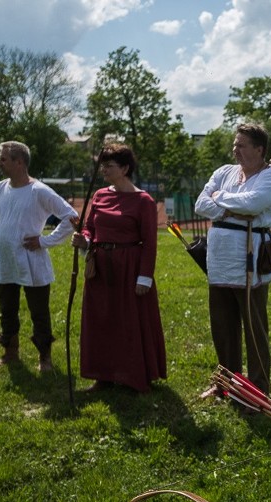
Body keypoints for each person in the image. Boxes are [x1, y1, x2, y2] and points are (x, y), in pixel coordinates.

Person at [194, 123, 271, 397]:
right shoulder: (224, 172)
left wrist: (220, 199)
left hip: (250, 258)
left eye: (241, 145)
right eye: (235, 144)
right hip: (219, 259)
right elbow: (201, 204)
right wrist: (230, 208)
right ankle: (226, 384)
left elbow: (253, 204)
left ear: (259, 149)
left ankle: (257, 389)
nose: (235, 150)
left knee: (254, 327)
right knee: (222, 325)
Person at [70, 143, 166, 392]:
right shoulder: (100, 195)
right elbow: (90, 226)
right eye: (102, 165)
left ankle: (132, 375)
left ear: (125, 168)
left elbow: (150, 243)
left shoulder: (143, 201)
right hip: (101, 267)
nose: (103, 170)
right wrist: (85, 239)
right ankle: (103, 375)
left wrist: (144, 276)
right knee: (101, 319)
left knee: (128, 321)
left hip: (129, 267)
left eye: (109, 166)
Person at [0, 141, 78, 372]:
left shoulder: (39, 191)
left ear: (19, 162)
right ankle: (10, 353)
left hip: (32, 261)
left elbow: (70, 217)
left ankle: (45, 358)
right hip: (5, 260)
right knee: (7, 308)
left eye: (3, 159)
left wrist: (44, 241)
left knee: (39, 311)